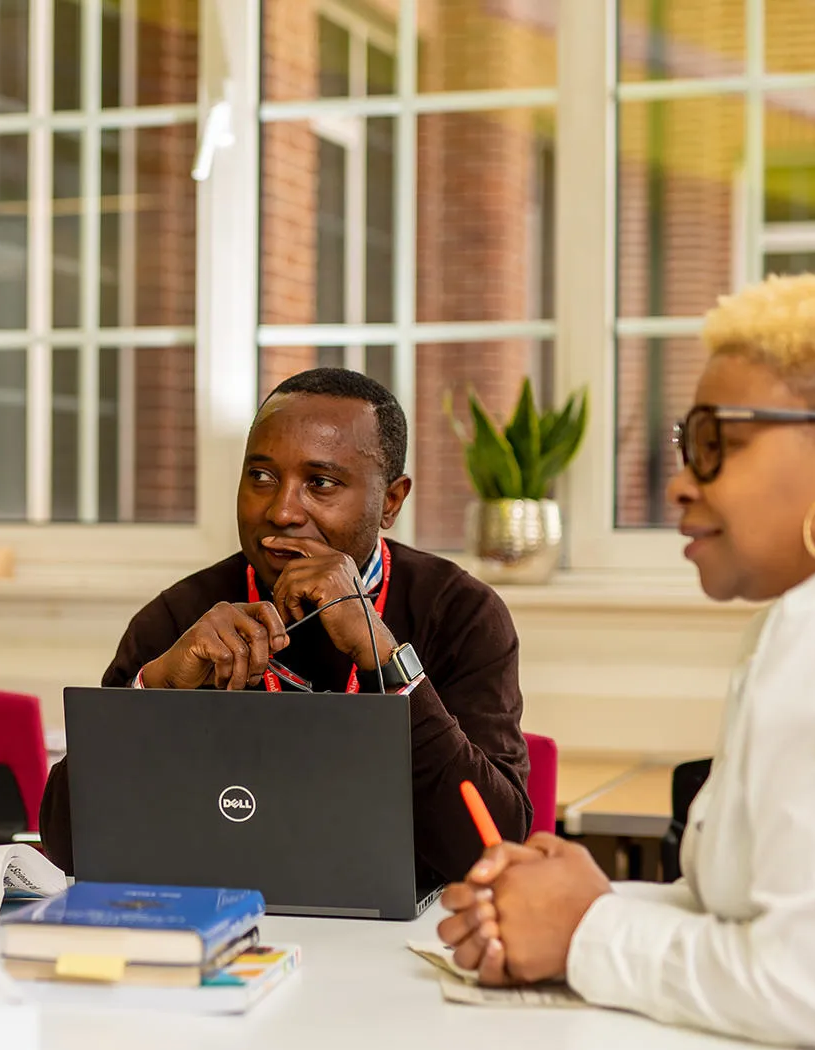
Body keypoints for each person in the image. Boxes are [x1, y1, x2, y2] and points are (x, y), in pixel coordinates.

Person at [437, 273, 815, 1050]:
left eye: (717, 442)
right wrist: (572, 903)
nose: (681, 481)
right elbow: (773, 913)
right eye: (685, 443)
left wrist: (586, 932)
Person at [39, 367, 530, 883]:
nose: (281, 510)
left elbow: (492, 849)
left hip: (392, 938)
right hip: (222, 917)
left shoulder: (460, 614)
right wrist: (152, 692)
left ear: (391, 501)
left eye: (320, 483)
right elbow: (71, 847)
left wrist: (388, 662)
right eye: (262, 477)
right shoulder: (180, 617)